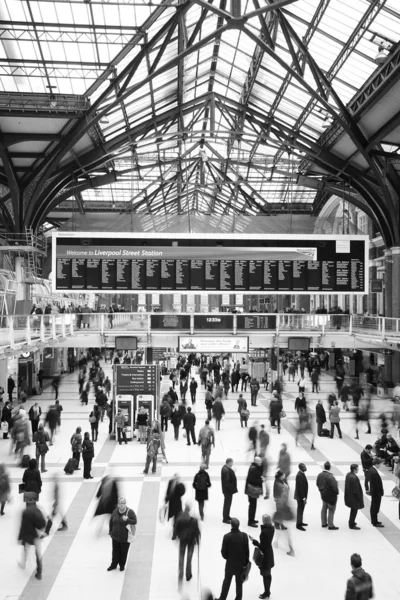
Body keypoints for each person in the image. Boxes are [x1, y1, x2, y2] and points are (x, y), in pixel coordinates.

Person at [215, 518, 249, 600]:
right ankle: (238, 598)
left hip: (230, 563)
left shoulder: (227, 536)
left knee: (226, 581)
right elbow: (247, 551)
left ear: (231, 525)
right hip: (240, 565)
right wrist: (245, 563)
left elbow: (224, 553)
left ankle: (222, 598)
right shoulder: (244, 536)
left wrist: (228, 558)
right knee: (239, 583)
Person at [18, 492, 46, 580]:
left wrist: (20, 537)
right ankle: (39, 572)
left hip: (28, 535)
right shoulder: (38, 510)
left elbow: (22, 526)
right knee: (38, 554)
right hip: (36, 536)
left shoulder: (25, 512)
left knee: (25, 549)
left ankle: (23, 563)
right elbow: (42, 524)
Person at [107, 497, 137, 572]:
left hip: (125, 537)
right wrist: (110, 531)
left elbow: (135, 521)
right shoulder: (115, 511)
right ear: (118, 504)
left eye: (123, 503)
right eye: (120, 503)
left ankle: (122, 565)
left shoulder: (130, 512)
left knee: (123, 552)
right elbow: (111, 521)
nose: (122, 505)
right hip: (115, 537)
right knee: (115, 552)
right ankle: (113, 564)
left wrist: (127, 519)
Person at [175, 502, 201, 585]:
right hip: (191, 542)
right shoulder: (194, 520)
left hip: (182, 541)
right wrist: (198, 540)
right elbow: (197, 532)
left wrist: (175, 536)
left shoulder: (179, 518)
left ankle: (181, 573)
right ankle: (188, 574)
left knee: (181, 557)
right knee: (189, 558)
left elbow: (176, 528)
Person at [250, 513, 275, 599]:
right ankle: (268, 591)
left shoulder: (264, 533)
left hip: (265, 556)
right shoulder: (272, 528)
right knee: (268, 574)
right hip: (270, 553)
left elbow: (262, 547)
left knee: (265, 575)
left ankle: (266, 593)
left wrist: (254, 542)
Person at [273, 470, 295, 556]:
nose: (285, 475)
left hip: (282, 507)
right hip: (282, 506)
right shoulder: (280, 484)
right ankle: (289, 548)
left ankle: (276, 542)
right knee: (284, 533)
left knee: (279, 529)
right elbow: (283, 493)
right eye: (283, 475)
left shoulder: (279, 482)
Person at [41, 473, 68, 537]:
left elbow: (57, 496)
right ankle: (64, 524)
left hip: (56, 504)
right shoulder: (56, 485)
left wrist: (56, 504)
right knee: (59, 513)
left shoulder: (56, 486)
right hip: (56, 503)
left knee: (51, 517)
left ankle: (47, 531)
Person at [316, 461, 339, 530]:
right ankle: (330, 525)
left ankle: (323, 523)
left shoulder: (320, 475)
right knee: (331, 510)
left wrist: (321, 490)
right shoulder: (331, 476)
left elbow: (317, 483)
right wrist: (336, 493)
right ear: (330, 467)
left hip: (323, 495)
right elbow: (335, 487)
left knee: (324, 508)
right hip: (330, 496)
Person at [165, 474, 186, 539]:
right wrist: (166, 499)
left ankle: (175, 533)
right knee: (175, 519)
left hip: (177, 504)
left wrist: (179, 485)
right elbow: (168, 492)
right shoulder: (170, 482)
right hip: (172, 503)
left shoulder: (180, 485)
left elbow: (182, 493)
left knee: (177, 519)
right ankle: (176, 532)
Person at [344, 464, 364, 530]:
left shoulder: (348, 475)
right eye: (357, 469)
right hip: (354, 498)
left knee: (353, 510)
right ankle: (351, 524)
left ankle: (351, 521)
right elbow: (356, 490)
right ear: (354, 469)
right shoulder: (354, 478)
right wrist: (359, 497)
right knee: (354, 511)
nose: (358, 470)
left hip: (349, 496)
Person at [245, 456, 263, 527]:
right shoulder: (254, 469)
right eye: (260, 462)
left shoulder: (254, 467)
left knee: (253, 505)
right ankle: (250, 521)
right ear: (256, 462)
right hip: (252, 490)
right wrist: (261, 480)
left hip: (251, 490)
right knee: (252, 506)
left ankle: (252, 519)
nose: (261, 463)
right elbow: (253, 480)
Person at [221, 458, 238, 524]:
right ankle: (225, 518)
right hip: (228, 490)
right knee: (227, 504)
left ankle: (227, 516)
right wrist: (231, 488)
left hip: (228, 490)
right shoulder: (226, 469)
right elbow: (227, 481)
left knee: (228, 503)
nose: (232, 464)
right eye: (232, 462)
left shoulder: (226, 468)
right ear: (229, 462)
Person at [368, 457, 384, 527]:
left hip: (374, 492)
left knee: (373, 506)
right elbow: (376, 484)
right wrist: (379, 492)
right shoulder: (374, 472)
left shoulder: (372, 469)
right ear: (377, 464)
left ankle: (374, 520)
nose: (381, 465)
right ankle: (374, 521)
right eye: (380, 464)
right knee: (375, 507)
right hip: (376, 493)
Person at [294, 463, 308, 531]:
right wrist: (303, 498)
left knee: (301, 509)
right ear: (301, 468)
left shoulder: (301, 474)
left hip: (301, 496)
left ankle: (300, 522)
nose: (305, 468)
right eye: (304, 467)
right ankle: (298, 524)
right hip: (300, 497)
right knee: (300, 510)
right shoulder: (299, 475)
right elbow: (300, 489)